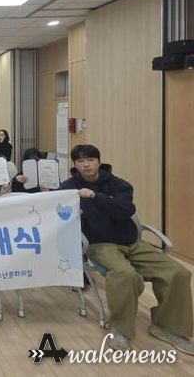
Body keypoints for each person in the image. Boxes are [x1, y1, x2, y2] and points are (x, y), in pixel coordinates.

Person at [60, 144, 193, 354]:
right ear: (75, 165)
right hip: (99, 244)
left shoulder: (119, 185)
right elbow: (57, 212)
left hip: (132, 242)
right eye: (80, 161)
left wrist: (96, 197)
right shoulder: (68, 188)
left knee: (178, 272)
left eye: (91, 160)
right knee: (125, 275)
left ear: (99, 162)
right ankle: (121, 330)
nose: (86, 165)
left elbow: (124, 211)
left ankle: (167, 327)